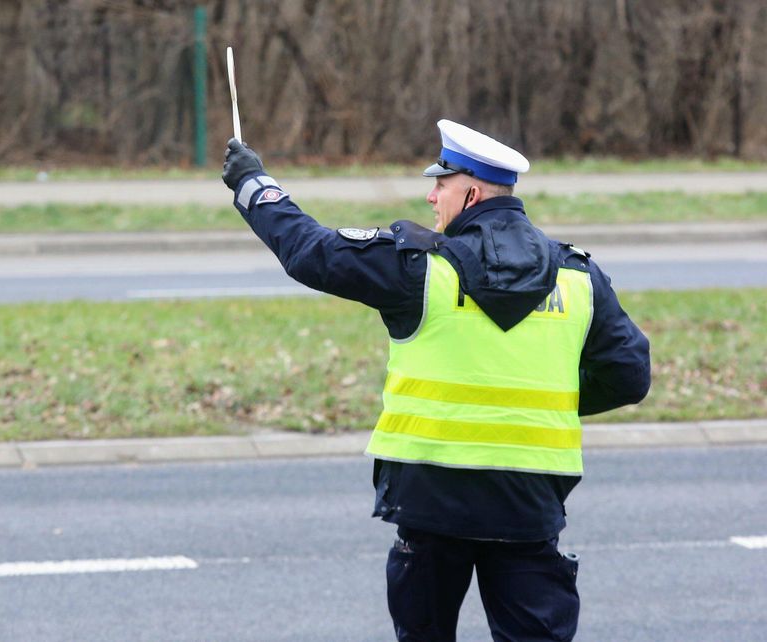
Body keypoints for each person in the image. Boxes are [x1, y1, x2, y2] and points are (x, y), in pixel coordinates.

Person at [222, 119, 651, 641]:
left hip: (430, 500)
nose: (430, 197)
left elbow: (310, 252)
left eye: (440, 184)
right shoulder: (578, 276)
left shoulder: (419, 269)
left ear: (471, 194)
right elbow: (630, 377)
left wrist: (254, 185)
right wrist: (539, 404)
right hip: (530, 504)